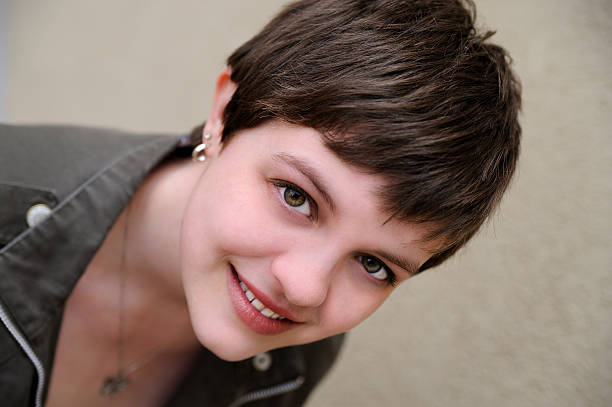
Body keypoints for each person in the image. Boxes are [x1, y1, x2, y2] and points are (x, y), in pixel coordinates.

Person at [0, 0, 521, 406]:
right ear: (224, 113)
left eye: (373, 265)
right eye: (297, 197)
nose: (305, 288)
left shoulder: (295, 360)